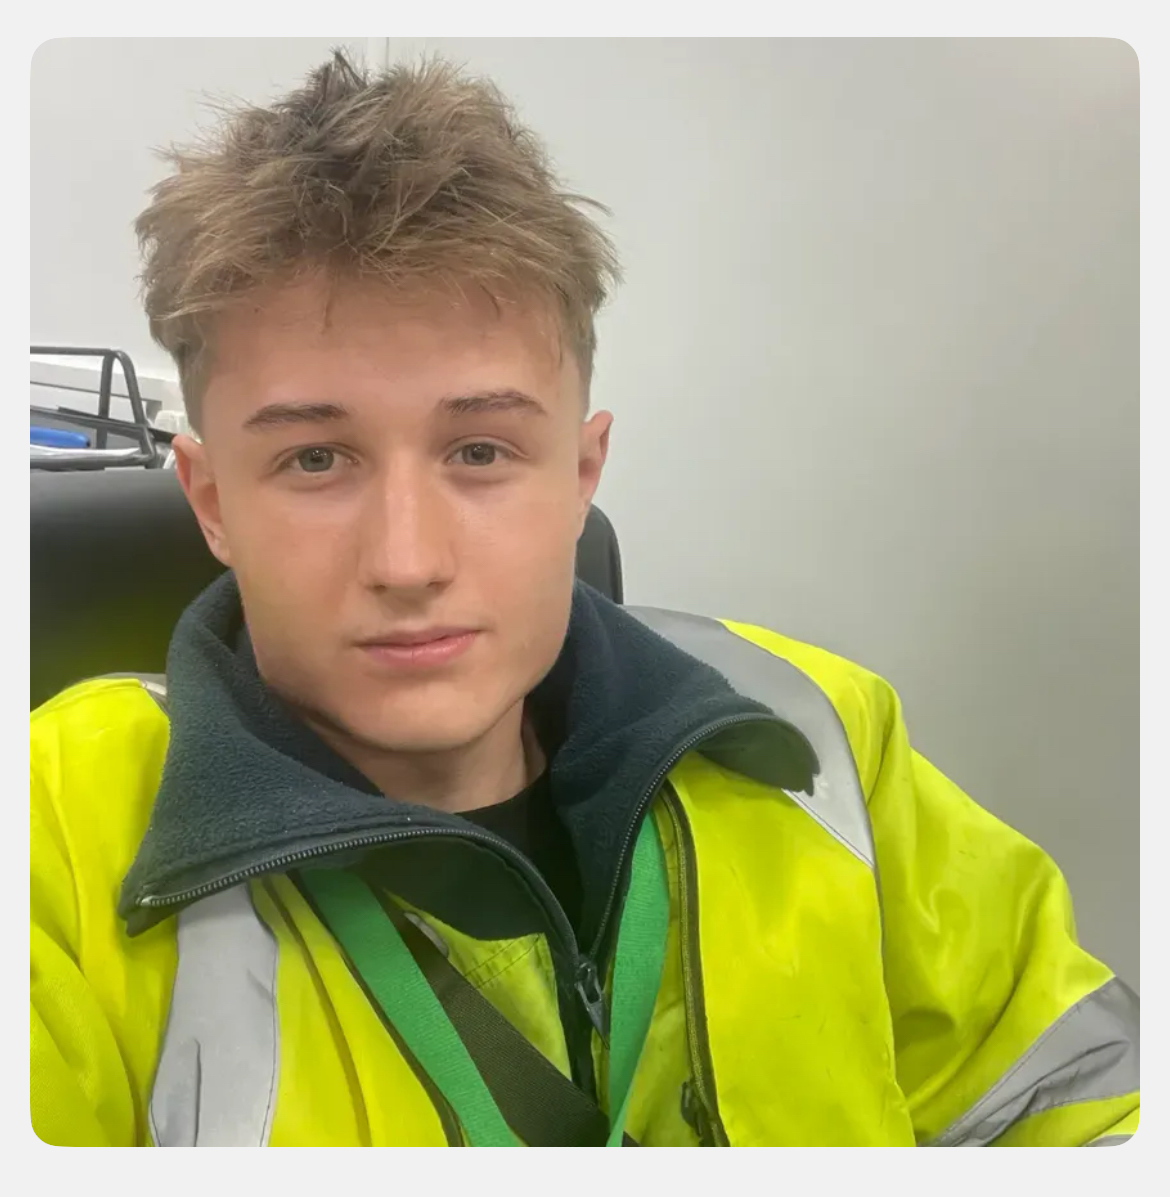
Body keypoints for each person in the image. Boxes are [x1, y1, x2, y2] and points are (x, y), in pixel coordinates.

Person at [30, 50, 1139, 1148]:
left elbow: (1090, 1104)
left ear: (581, 472)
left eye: (479, 450)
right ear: (211, 500)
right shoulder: (51, 844)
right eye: (316, 460)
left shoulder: (819, 735)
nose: (407, 560)